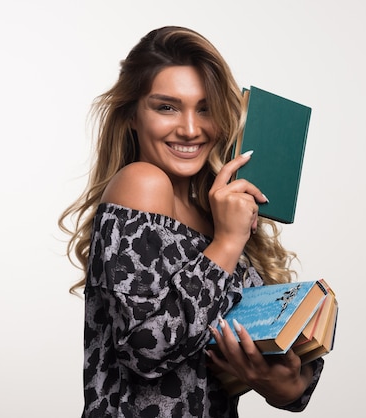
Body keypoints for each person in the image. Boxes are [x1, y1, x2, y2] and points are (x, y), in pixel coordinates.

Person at [58, 26, 324, 418]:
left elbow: (283, 370)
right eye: (167, 107)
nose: (190, 128)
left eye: (205, 108)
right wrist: (228, 243)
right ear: (133, 114)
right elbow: (144, 349)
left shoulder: (217, 210)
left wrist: (286, 384)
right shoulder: (142, 184)